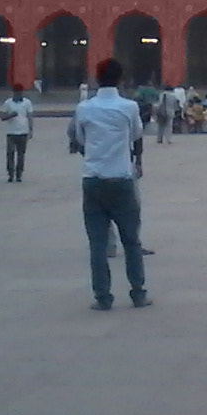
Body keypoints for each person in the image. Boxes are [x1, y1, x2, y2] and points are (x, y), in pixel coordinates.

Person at [68, 57, 150, 310]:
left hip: (92, 180)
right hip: (121, 179)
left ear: (96, 78)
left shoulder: (84, 108)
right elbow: (136, 135)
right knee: (131, 241)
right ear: (121, 79)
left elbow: (78, 139)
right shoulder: (129, 107)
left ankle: (103, 297)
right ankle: (138, 294)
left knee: (98, 245)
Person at [0, 83, 35, 182]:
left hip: (23, 131)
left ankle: (19, 173)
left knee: (21, 154)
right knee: (10, 154)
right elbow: (2, 117)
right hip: (11, 132)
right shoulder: (8, 103)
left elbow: (30, 116)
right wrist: (10, 115)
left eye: (20, 92)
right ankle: (10, 173)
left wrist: (31, 130)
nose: (18, 94)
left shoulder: (27, 103)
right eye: (16, 92)